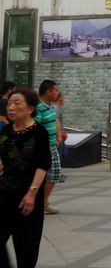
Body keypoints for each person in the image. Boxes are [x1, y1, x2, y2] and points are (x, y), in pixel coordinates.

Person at [0, 88, 51, 268]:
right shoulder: (7, 130)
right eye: (9, 103)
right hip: (4, 192)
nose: (11, 107)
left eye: (16, 103)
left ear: (30, 108)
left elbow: (43, 164)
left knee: (26, 247)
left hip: (27, 196)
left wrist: (32, 193)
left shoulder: (39, 132)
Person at [35, 79, 63, 214]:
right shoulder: (38, 107)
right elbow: (36, 129)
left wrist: (57, 137)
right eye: (56, 90)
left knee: (54, 175)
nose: (57, 93)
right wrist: (45, 146)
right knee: (39, 177)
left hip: (53, 147)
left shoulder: (51, 106)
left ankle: (44, 202)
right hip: (43, 149)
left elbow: (54, 121)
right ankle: (38, 203)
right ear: (48, 92)